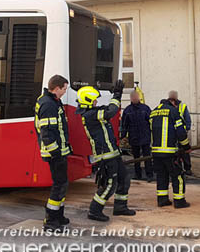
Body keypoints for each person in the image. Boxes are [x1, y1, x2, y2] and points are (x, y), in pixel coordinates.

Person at [76, 80, 136, 221]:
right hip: (105, 157)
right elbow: (111, 111)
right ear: (88, 101)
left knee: (124, 179)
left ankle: (120, 207)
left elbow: (108, 109)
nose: (97, 101)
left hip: (112, 154)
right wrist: (117, 94)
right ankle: (94, 210)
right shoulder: (90, 115)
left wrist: (114, 94)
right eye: (94, 99)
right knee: (110, 184)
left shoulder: (93, 112)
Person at [35, 75, 72, 231]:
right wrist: (56, 152)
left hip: (58, 152)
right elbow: (47, 133)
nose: (65, 92)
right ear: (57, 88)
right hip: (55, 154)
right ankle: (50, 221)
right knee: (59, 185)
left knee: (62, 184)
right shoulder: (49, 104)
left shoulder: (51, 101)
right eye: (64, 89)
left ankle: (59, 216)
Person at [150, 97, 191, 209]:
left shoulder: (153, 112)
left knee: (161, 175)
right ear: (172, 103)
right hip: (170, 152)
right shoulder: (173, 111)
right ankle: (179, 201)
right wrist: (186, 146)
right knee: (177, 176)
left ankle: (162, 200)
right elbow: (181, 132)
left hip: (156, 152)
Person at [120, 90, 153, 182]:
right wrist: (122, 136)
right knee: (136, 158)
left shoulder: (145, 108)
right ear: (131, 98)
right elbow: (124, 125)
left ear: (139, 97)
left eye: (136, 97)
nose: (135, 99)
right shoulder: (128, 110)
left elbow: (151, 121)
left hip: (145, 136)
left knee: (147, 157)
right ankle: (138, 174)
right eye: (133, 97)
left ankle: (149, 175)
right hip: (134, 137)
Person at [168, 90, 193, 176]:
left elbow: (187, 119)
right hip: (173, 134)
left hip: (181, 133)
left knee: (185, 152)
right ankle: (177, 167)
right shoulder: (168, 107)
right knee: (175, 152)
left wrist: (185, 130)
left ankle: (187, 168)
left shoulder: (182, 106)